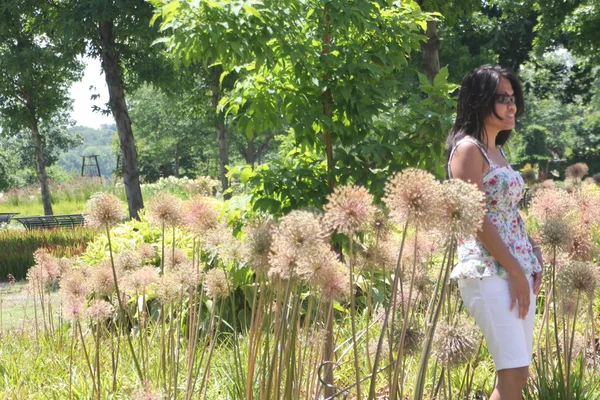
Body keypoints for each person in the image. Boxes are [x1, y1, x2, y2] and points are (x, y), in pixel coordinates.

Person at [446, 65, 543, 400]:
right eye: (502, 98)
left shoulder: (497, 152)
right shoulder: (468, 150)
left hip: (515, 270)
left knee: (518, 372)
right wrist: (516, 271)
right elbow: (476, 218)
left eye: (513, 98)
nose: (512, 106)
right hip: (487, 272)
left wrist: (532, 254)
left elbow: (508, 212)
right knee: (512, 370)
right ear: (479, 100)